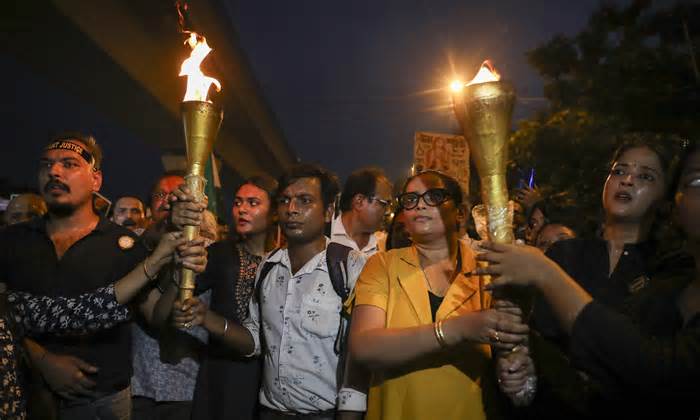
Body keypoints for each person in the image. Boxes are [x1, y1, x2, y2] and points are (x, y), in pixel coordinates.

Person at [479, 140, 700, 418]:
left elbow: (647, 361)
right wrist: (517, 361)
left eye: (645, 176)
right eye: (619, 172)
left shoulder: (673, 270)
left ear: (668, 199)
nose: (628, 180)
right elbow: (528, 331)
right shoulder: (564, 253)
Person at [0, 132, 207, 420]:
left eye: (69, 164)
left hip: (104, 403)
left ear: (96, 180)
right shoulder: (12, 241)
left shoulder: (123, 246)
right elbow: (5, 315)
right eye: (46, 165)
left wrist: (176, 271)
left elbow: (156, 316)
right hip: (27, 395)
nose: (54, 171)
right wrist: (41, 359)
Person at [172, 164, 368, 419]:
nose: (292, 209)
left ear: (329, 211)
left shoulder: (350, 266)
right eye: (285, 201)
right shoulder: (268, 266)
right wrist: (206, 318)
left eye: (304, 201)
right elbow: (255, 341)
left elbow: (360, 355)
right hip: (270, 413)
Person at [348, 170, 529, 420]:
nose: (420, 204)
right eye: (410, 199)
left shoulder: (489, 271)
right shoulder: (382, 265)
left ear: (460, 213)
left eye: (433, 195)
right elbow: (364, 348)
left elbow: (509, 346)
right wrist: (456, 329)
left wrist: (512, 368)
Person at [0, 229, 205, 419]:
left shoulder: (7, 305)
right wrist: (42, 359)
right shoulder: (14, 238)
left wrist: (156, 263)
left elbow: (85, 309)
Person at [163, 175, 279, 420]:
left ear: (275, 212)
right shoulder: (219, 254)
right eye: (238, 203)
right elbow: (180, 291)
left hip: (269, 375)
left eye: (253, 203)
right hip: (223, 371)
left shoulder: (285, 261)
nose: (242, 210)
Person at [331, 168, 393, 256]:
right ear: (359, 202)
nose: (388, 211)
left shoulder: (385, 246)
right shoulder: (324, 238)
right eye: (384, 204)